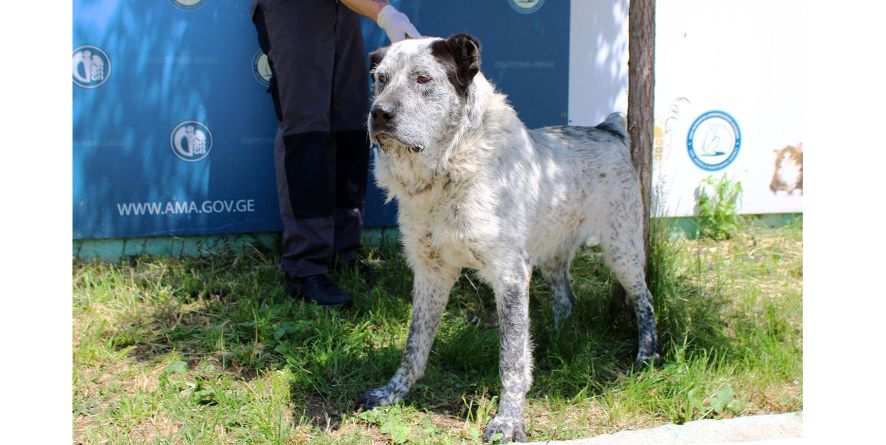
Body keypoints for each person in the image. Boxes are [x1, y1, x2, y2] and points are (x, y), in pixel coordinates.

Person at [250, 0, 420, 307]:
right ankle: (305, 267)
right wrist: (385, 13)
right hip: (293, 10)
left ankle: (343, 250)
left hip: (341, 8)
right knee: (307, 130)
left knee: (350, 123)